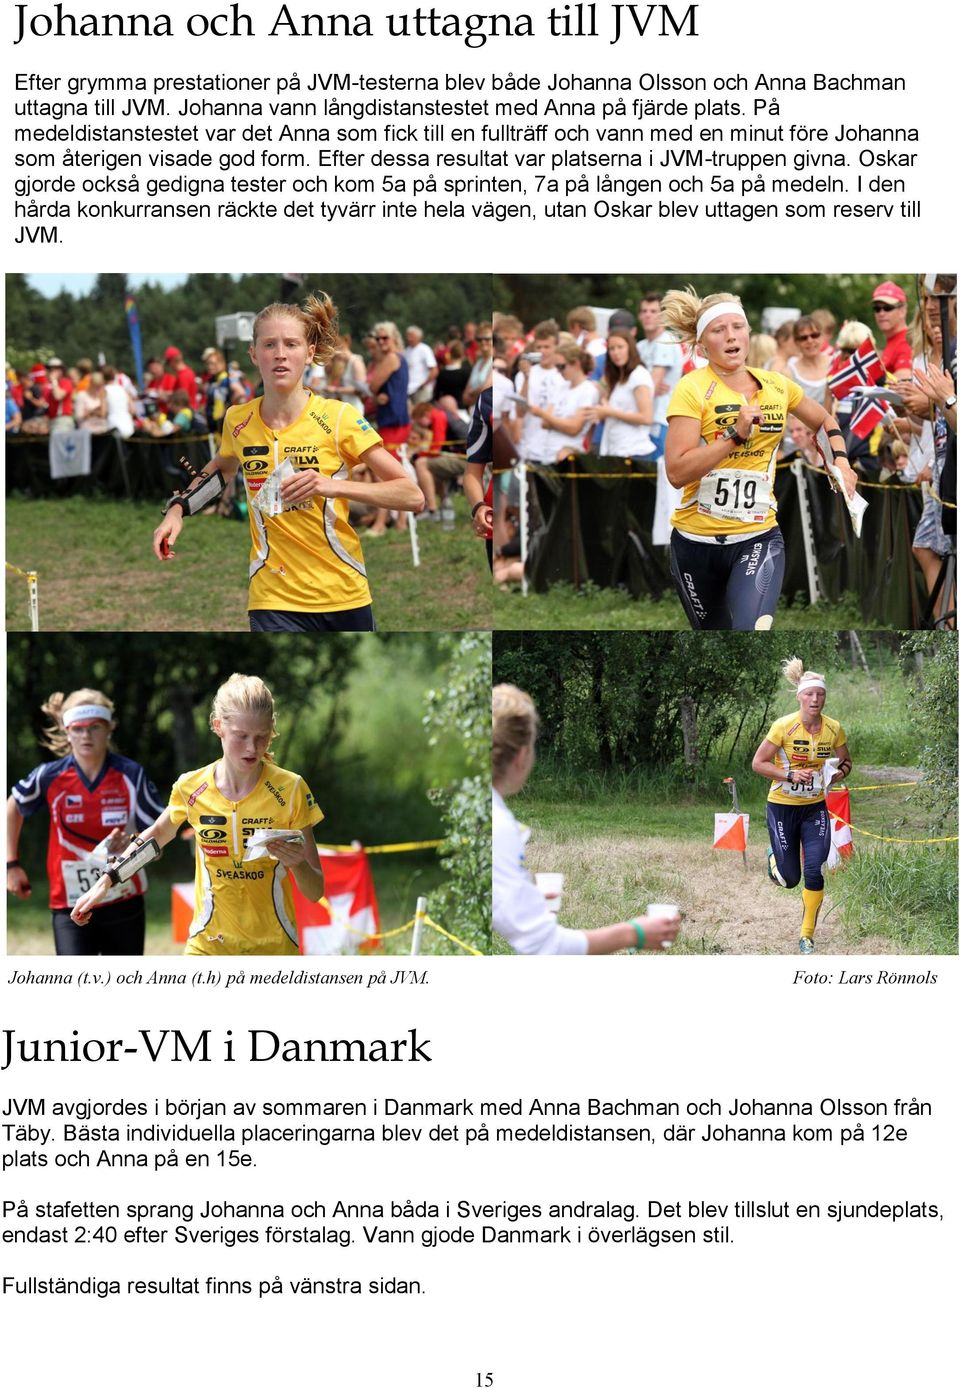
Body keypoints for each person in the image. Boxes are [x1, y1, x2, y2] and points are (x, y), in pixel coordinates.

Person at [151, 295, 422, 631]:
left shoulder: (338, 418)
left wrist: (331, 485)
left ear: (309, 353)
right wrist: (178, 510)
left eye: (291, 344)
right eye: (269, 344)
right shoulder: (238, 420)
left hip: (343, 592)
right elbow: (221, 469)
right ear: (253, 354)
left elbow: (412, 495)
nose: (280, 353)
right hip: (272, 596)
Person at [71, 674, 325, 956]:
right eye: (241, 736)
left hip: (273, 947)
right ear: (219, 727)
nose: (252, 748)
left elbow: (315, 891)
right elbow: (154, 837)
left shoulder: (290, 789)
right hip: (207, 943)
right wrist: (105, 882)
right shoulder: (191, 787)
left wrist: (299, 864)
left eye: (261, 737)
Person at [661, 288, 859, 630]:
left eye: (737, 326)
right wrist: (734, 436)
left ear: (749, 333)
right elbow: (677, 472)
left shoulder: (777, 385)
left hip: (757, 536)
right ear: (702, 343)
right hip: (695, 542)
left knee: (754, 629)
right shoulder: (692, 388)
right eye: (718, 330)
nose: (731, 336)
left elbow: (825, 421)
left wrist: (840, 461)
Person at [492, 685, 682, 955]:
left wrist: (521, 895)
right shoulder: (498, 827)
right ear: (522, 756)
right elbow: (544, 946)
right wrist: (634, 933)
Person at [7, 687, 165, 956]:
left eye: (95, 727)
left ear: (110, 728)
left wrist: (129, 845)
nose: (86, 735)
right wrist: (10, 864)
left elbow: (159, 840)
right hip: (70, 903)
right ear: (67, 731)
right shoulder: (49, 775)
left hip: (122, 898)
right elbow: (12, 808)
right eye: (78, 728)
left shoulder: (131, 775)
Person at [751, 659, 852, 955]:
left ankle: (807, 936)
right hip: (782, 807)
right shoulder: (783, 726)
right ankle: (774, 859)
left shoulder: (833, 729)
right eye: (809, 694)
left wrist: (835, 774)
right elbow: (758, 764)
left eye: (820, 694)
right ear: (799, 696)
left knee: (815, 868)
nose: (815, 699)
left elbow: (846, 762)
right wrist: (791, 774)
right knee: (789, 878)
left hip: (814, 809)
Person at [587, 328, 655, 463]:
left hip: (634, 452)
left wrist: (609, 412)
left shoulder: (639, 375)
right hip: (615, 451)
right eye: (612, 348)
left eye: (620, 347)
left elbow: (646, 417)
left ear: (630, 348)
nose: (616, 352)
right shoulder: (618, 378)